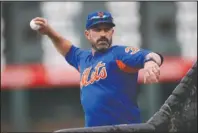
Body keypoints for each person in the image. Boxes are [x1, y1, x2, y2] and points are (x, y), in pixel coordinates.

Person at [32, 11, 163, 127]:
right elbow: (65, 45)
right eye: (97, 29)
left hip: (125, 129)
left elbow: (150, 55)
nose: (103, 34)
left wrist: (151, 62)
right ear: (87, 34)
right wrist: (49, 32)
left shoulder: (119, 54)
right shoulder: (82, 58)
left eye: (106, 29)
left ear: (112, 32)